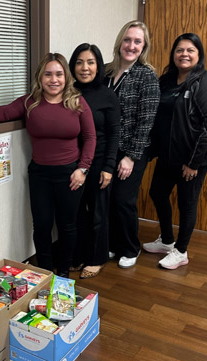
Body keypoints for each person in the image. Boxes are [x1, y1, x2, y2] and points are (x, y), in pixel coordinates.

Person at [0, 53, 96, 277]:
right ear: (40, 77)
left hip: (70, 175)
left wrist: (83, 169)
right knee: (42, 226)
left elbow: (91, 138)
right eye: (48, 74)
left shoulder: (78, 102)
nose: (54, 80)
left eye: (59, 74)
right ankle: (44, 274)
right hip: (40, 174)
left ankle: (63, 273)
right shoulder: (29, 102)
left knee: (67, 226)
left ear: (66, 77)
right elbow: (4, 111)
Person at [142, 33, 207, 269]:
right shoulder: (166, 80)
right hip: (169, 154)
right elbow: (158, 117)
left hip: (194, 158)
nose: (184, 54)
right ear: (173, 54)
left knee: (187, 202)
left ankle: (181, 251)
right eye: (179, 50)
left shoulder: (205, 83)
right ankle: (167, 240)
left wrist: (194, 163)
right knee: (157, 193)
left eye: (190, 50)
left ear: (199, 55)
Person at [104, 21, 160, 269]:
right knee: (107, 198)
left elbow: (146, 120)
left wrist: (131, 157)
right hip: (108, 148)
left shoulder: (146, 75)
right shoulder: (106, 72)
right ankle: (114, 244)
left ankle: (130, 247)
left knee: (123, 199)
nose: (131, 46)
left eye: (137, 41)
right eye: (127, 40)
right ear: (119, 41)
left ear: (143, 46)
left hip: (133, 149)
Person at [67, 43, 121, 279]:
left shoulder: (107, 95)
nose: (84, 67)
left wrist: (109, 167)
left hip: (99, 163)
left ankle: (97, 258)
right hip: (73, 162)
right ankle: (78, 255)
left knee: (98, 212)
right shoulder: (68, 92)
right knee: (76, 212)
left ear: (98, 66)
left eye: (90, 62)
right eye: (79, 62)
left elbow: (114, 133)